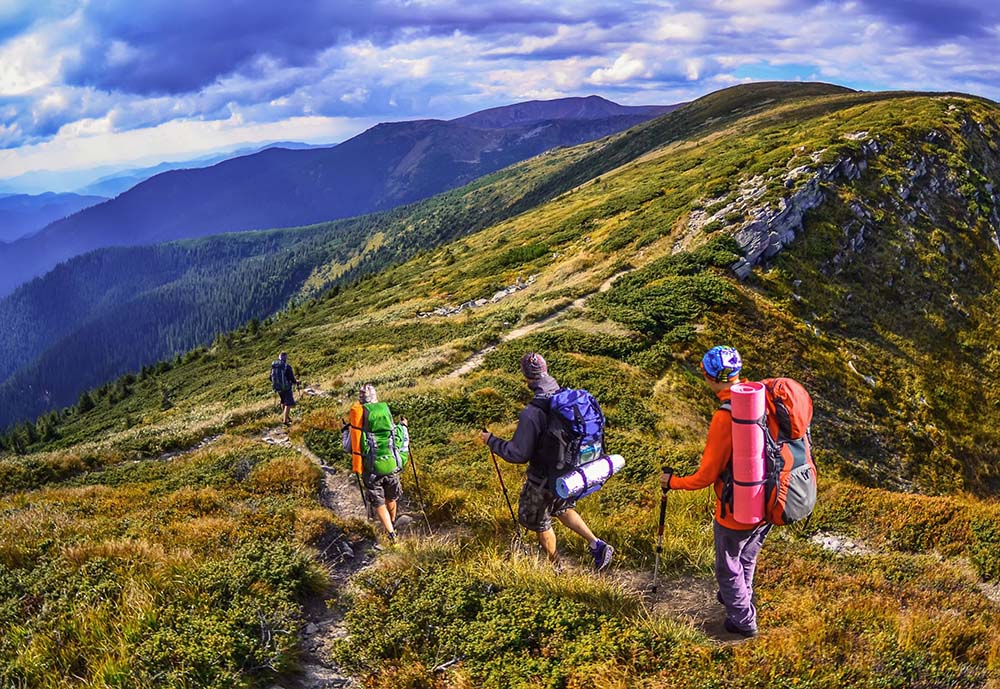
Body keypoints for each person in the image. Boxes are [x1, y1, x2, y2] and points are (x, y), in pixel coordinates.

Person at [660, 345, 770, 638]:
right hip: (769, 500)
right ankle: (740, 598)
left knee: (727, 566)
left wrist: (672, 483)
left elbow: (705, 477)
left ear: (708, 376)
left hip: (737, 508)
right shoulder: (760, 399)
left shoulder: (725, 417)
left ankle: (743, 622)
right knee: (746, 557)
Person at [480, 352, 614, 570]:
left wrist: (492, 441)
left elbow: (518, 454)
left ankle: (556, 568)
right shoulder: (563, 397)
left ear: (526, 377)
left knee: (541, 522)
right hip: (567, 471)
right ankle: (596, 545)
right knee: (562, 508)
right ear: (546, 370)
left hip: (542, 478)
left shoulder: (532, 413)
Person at [347, 383, 408, 542]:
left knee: (378, 501)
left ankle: (391, 534)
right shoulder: (386, 416)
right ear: (376, 398)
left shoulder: (358, 421)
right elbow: (399, 439)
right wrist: (404, 426)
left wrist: (345, 432)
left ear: (361, 401)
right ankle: (392, 523)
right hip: (392, 467)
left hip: (372, 470)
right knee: (391, 498)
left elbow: (349, 447)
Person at [270, 352, 299, 425]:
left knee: (283, 401)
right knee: (288, 404)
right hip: (286, 388)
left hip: (278, 388)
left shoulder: (274, 367)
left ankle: (286, 416)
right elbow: (291, 378)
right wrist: (296, 382)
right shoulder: (287, 367)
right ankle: (285, 421)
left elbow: (270, 378)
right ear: (285, 358)